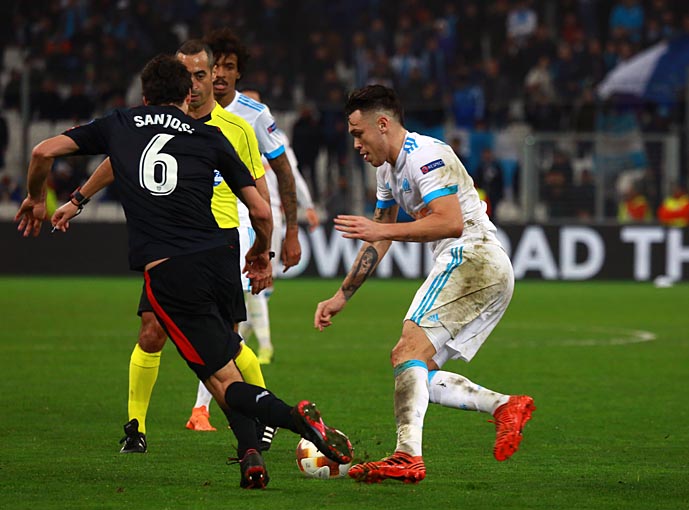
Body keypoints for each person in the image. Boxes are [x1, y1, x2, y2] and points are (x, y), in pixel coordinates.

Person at [15, 54, 353, 489]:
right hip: (219, 257)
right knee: (226, 357)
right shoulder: (208, 135)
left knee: (222, 381)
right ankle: (251, 457)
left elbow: (43, 150)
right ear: (187, 95)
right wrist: (260, 251)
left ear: (144, 96)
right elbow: (261, 211)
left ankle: (296, 420)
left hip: (172, 272)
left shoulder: (121, 123)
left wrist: (36, 198)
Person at [52, 40, 276, 446]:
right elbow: (115, 159)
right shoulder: (145, 124)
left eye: (200, 75)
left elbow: (260, 195)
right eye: (185, 75)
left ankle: (259, 425)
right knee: (151, 331)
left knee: (227, 341)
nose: (192, 84)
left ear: (211, 78)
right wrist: (79, 199)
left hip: (221, 240)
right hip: (168, 245)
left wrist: (264, 250)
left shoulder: (237, 129)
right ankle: (136, 428)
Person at [314, 85, 535, 484]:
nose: (356, 145)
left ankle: (406, 456)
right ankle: (504, 406)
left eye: (358, 134)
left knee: (406, 352)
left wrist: (383, 229)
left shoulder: (425, 156)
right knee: (418, 371)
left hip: (471, 256)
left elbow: (449, 221)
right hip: (480, 266)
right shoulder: (387, 170)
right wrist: (341, 295)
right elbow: (380, 236)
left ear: (383, 124)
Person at [180, 28, 304, 429]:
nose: (219, 74)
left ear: (238, 75)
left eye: (228, 68)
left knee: (221, 323)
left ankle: (207, 410)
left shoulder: (255, 116)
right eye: (213, 66)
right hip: (190, 228)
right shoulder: (184, 108)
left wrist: (291, 231)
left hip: (237, 228)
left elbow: (284, 173)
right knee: (216, 326)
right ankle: (251, 409)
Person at [239, 88, 319, 365]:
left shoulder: (271, 136)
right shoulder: (232, 131)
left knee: (257, 283)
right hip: (244, 213)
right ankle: (248, 344)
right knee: (257, 286)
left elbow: (291, 174)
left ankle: (260, 346)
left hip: (268, 213)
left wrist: (306, 205)